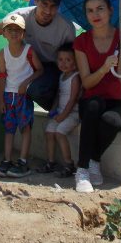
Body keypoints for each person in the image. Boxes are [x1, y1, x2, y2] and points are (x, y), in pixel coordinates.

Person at [0, 0, 76, 129]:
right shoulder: (20, 16)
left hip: (51, 69)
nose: (48, 11)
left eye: (53, 6)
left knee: (34, 89)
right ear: (36, 0)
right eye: (44, 4)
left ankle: (53, 105)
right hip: (24, 66)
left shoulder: (66, 28)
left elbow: (73, 60)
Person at [73, 0, 121, 193]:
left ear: (110, 10)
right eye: (90, 10)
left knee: (112, 121)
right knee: (92, 106)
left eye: (100, 8)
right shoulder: (81, 42)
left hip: (120, 103)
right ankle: (82, 170)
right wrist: (103, 68)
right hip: (93, 101)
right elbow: (87, 83)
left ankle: (94, 160)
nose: (95, 14)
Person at [0, 13, 43, 178]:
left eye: (18, 30)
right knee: (9, 128)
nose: (14, 33)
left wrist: (26, 83)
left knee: (25, 128)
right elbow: (1, 77)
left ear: (23, 33)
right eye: (10, 29)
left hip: (24, 97)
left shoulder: (29, 51)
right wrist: (1, 100)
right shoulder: (3, 53)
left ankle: (22, 162)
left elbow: (40, 70)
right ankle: (7, 160)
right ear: (4, 33)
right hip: (8, 96)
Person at [36, 42, 81, 177]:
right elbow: (58, 95)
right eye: (61, 60)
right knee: (49, 131)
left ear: (75, 62)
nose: (64, 63)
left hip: (72, 113)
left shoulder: (75, 78)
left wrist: (63, 116)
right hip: (61, 113)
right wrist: (54, 110)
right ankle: (51, 162)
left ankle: (69, 164)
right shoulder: (62, 76)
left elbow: (73, 100)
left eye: (68, 60)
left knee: (60, 132)